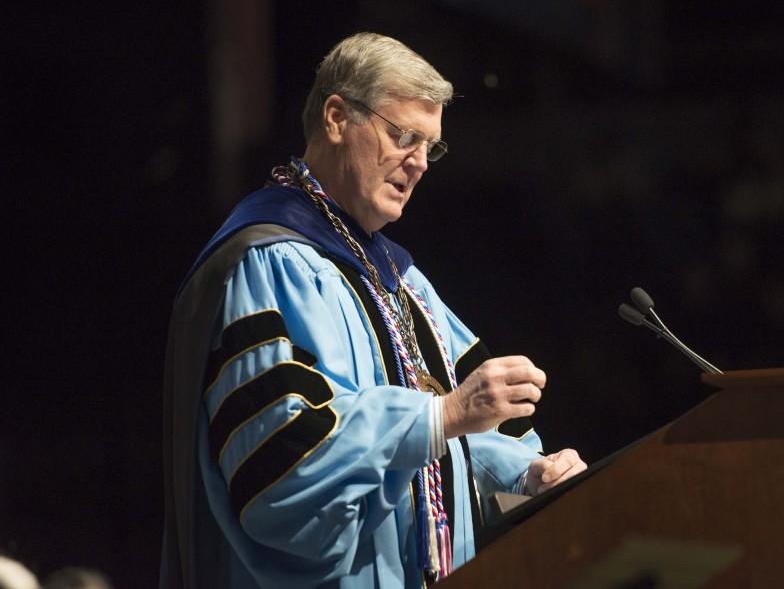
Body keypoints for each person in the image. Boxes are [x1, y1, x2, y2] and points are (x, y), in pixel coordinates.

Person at [161, 32, 586, 588]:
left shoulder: (406, 285)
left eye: (429, 147)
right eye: (403, 135)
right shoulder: (268, 264)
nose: (420, 163)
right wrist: (441, 416)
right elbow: (284, 474)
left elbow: (458, 449)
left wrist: (528, 473)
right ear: (337, 118)